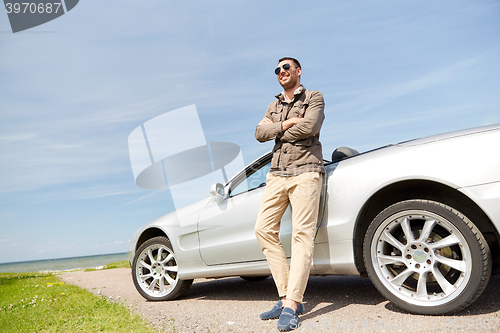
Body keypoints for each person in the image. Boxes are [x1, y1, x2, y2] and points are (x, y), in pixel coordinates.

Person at [254, 57, 325, 331]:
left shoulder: (314, 96)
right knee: (263, 229)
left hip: (306, 170)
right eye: (277, 70)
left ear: (298, 71)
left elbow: (311, 126)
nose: (281, 72)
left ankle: (293, 304)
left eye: (286, 68)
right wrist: (284, 125)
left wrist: (279, 129)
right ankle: (284, 296)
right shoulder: (273, 105)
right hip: (277, 174)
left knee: (301, 235)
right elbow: (260, 132)